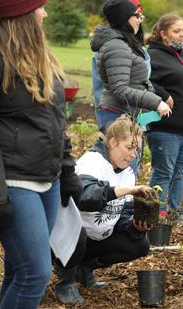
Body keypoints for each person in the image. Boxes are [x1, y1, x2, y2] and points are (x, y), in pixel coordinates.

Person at [0, 0, 83, 307]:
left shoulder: (41, 54)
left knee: (18, 269)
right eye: (40, 7)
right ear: (23, 13)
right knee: (36, 274)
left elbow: (56, 119)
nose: (45, 15)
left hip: (47, 180)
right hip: (13, 182)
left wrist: (66, 170)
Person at [54, 116, 157, 304]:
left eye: (136, 149)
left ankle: (84, 269)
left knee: (140, 244)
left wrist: (135, 227)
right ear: (112, 142)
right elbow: (84, 197)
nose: (133, 154)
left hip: (96, 236)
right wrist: (125, 191)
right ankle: (65, 281)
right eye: (129, 147)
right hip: (68, 238)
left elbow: (121, 214)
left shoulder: (127, 173)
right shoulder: (92, 162)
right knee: (78, 232)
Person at [146, 14, 183, 224]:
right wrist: (164, 95)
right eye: (176, 31)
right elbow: (144, 83)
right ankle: (155, 216)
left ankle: (175, 213)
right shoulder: (152, 56)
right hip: (166, 129)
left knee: (181, 173)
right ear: (163, 33)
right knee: (163, 173)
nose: (181, 34)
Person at [91, 0, 171, 134]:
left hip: (127, 114)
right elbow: (120, 90)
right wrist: (156, 102)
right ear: (125, 18)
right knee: (126, 156)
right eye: (137, 16)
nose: (140, 21)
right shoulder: (117, 46)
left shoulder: (124, 43)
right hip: (117, 115)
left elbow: (140, 81)